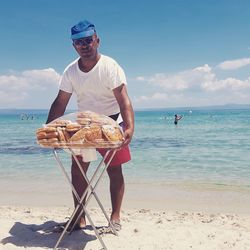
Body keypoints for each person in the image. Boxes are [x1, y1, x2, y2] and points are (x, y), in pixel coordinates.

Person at [46, 20, 134, 232]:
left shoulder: (110, 66)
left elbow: (124, 100)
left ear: (97, 41)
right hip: (85, 125)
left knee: (114, 170)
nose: (84, 45)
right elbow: (60, 101)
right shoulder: (70, 71)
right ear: (73, 45)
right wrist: (48, 129)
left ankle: (115, 217)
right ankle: (79, 218)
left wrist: (129, 127)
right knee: (77, 171)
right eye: (79, 42)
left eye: (88, 40)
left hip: (112, 122)